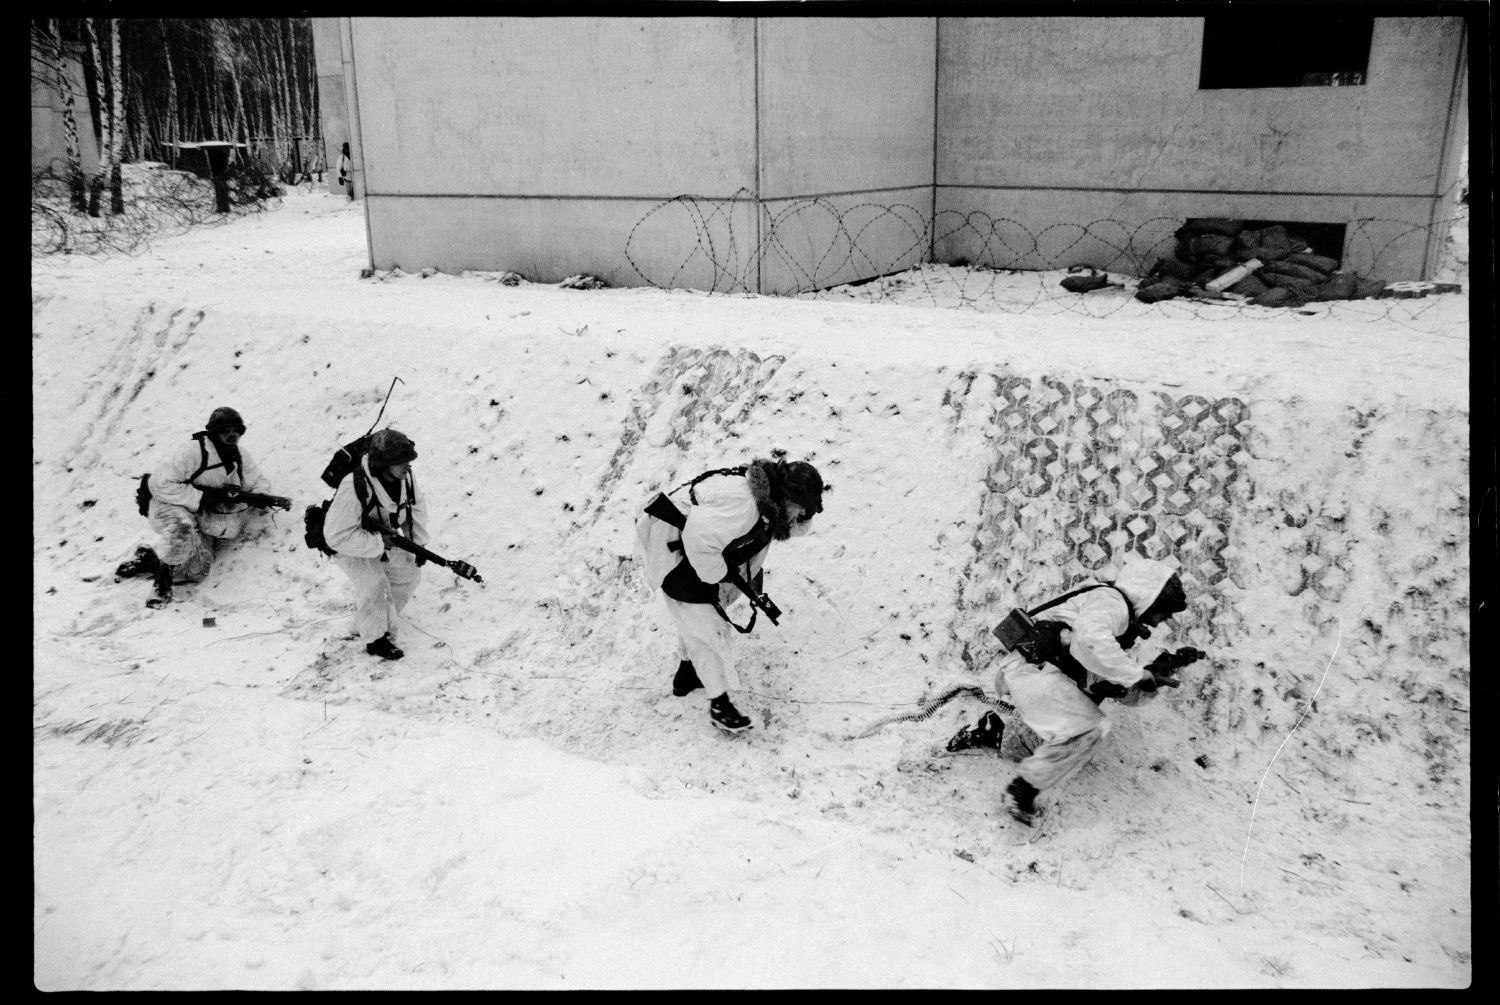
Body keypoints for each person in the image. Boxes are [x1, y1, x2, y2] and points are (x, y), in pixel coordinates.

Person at [948, 556, 1204, 825]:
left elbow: (1111, 680)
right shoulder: (1111, 602)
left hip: (1042, 674)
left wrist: (1157, 671)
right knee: (1086, 728)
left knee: (1064, 736)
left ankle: (996, 731)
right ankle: (1020, 792)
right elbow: (1090, 641)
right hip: (1033, 670)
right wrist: (1136, 674)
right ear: (1150, 597)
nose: (1163, 620)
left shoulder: (1113, 615)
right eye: (1165, 611)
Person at [635, 456, 825, 733]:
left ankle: (687, 675)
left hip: (691, 547)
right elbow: (699, 541)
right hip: (673, 547)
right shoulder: (745, 506)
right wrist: (716, 578)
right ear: (786, 497)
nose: (802, 514)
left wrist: (804, 515)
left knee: (697, 621)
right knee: (710, 630)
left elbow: (792, 528)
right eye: (802, 507)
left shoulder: (769, 505)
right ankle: (720, 706)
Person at [116, 406, 289, 608]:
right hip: (167, 505)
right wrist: (201, 497)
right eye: (225, 430)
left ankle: (148, 560)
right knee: (182, 526)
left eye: (236, 430)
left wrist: (260, 497)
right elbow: (159, 483)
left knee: (198, 569)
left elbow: (257, 480)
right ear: (214, 433)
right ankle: (160, 588)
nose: (232, 435)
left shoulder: (239, 456)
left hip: (200, 514)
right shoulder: (193, 452)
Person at [322, 428, 431, 660]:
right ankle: (375, 639)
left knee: (408, 574)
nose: (408, 466)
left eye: (408, 460)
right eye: (401, 462)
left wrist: (418, 544)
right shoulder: (354, 486)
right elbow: (336, 535)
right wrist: (379, 542)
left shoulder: (405, 477)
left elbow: (416, 508)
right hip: (349, 543)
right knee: (374, 584)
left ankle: (372, 622)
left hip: (383, 539)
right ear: (383, 464)